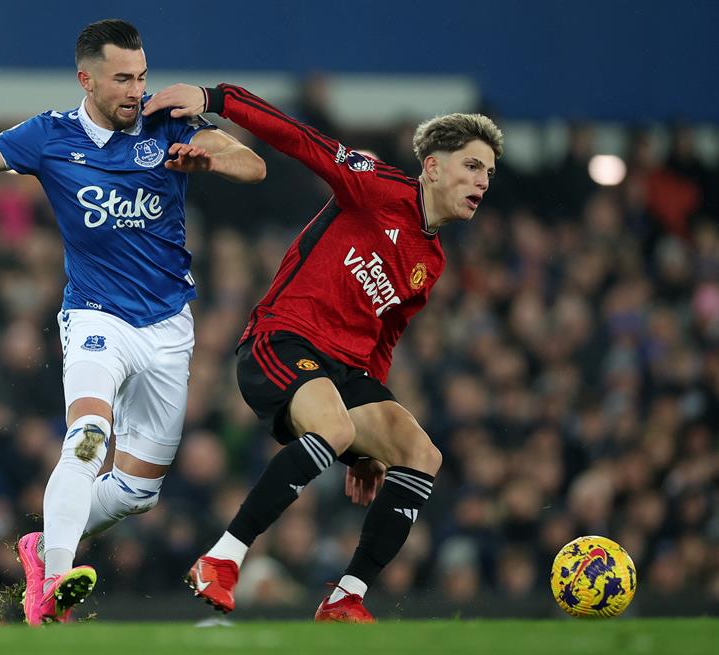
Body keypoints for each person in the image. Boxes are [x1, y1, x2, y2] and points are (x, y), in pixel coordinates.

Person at [0, 20, 265, 625]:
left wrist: (211, 157)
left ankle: (41, 546)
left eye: (141, 76)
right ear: (86, 78)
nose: (137, 90)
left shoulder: (169, 124)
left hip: (168, 326)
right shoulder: (49, 137)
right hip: (95, 316)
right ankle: (52, 584)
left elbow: (252, 166)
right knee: (87, 436)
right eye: (122, 79)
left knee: (139, 493)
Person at [143, 83, 502, 622]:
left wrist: (370, 447)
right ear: (431, 166)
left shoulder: (431, 261)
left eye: (489, 174)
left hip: (344, 371)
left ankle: (346, 597)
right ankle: (220, 559)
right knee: (333, 429)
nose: (482, 181)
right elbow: (301, 140)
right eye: (472, 166)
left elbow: (382, 342)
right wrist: (216, 98)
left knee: (422, 455)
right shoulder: (377, 187)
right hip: (281, 340)